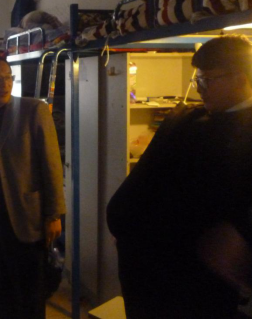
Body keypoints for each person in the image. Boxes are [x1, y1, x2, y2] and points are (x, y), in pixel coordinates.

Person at [107, 35, 253, 319]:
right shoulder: (188, 118)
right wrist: (127, 226)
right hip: (146, 264)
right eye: (197, 81)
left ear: (239, 79)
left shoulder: (243, 133)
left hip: (186, 275)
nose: (200, 90)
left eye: (208, 81)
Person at [0, 54, 66, 319]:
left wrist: (54, 214)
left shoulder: (33, 111)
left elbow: (51, 164)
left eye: (8, 77)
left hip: (24, 218)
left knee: (29, 296)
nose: (4, 84)